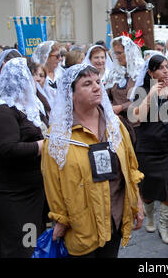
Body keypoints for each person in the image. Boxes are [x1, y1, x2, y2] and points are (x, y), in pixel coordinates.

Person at [41, 63, 144, 258]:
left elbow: (130, 167)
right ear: (71, 94)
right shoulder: (59, 136)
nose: (97, 87)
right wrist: (61, 219)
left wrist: (136, 202)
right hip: (81, 224)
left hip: (114, 218)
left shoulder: (115, 126)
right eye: (87, 84)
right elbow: (52, 182)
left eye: (98, 81)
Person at [0, 57, 49, 257]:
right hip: (12, 192)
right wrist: (42, 146)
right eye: (32, 77)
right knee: (18, 244)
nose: (36, 82)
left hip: (33, 187)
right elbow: (8, 149)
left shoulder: (29, 104)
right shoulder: (1, 110)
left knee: (34, 239)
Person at [129, 54, 168, 245]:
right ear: (150, 72)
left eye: (166, 67)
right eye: (160, 68)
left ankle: (163, 227)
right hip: (147, 146)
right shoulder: (141, 90)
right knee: (147, 189)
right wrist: (151, 95)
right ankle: (149, 217)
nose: (165, 70)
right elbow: (135, 119)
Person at [106, 36, 145, 143]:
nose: (117, 57)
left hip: (137, 125)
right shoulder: (115, 73)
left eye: (119, 53)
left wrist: (122, 107)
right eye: (115, 54)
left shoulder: (141, 72)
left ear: (129, 52)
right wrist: (110, 108)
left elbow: (144, 97)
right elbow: (107, 95)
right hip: (117, 123)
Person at [32, 41, 64, 107]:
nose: (60, 59)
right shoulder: (37, 75)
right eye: (57, 56)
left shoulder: (62, 73)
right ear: (45, 57)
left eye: (60, 55)